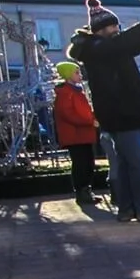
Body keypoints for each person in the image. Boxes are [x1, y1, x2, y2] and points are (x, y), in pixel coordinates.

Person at [67, 0, 140, 222]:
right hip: (122, 114)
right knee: (139, 162)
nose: (116, 30)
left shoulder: (105, 49)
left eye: (116, 26)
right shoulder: (96, 48)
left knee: (125, 164)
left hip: (127, 113)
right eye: (112, 26)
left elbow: (130, 45)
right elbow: (123, 43)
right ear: (100, 30)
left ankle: (126, 209)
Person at [53, 61, 101, 204]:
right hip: (75, 135)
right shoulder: (65, 93)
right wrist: (89, 121)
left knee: (88, 162)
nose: (79, 75)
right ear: (68, 75)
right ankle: (82, 191)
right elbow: (68, 114)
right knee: (81, 164)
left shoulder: (77, 91)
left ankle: (87, 189)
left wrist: (92, 118)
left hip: (84, 134)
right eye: (76, 72)